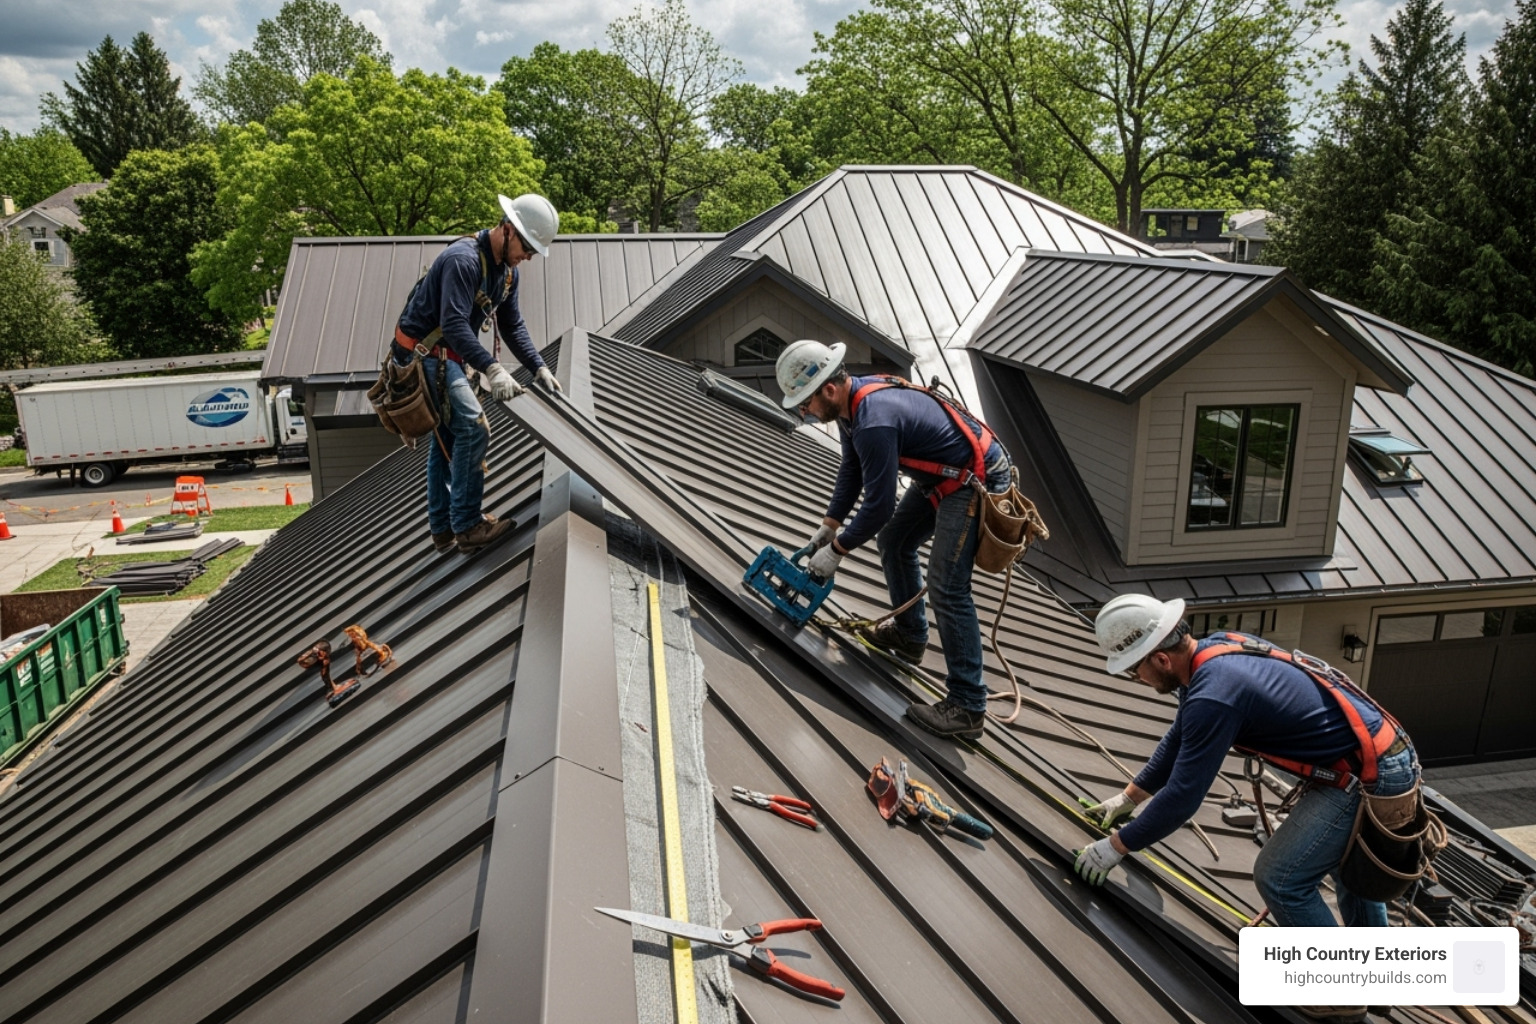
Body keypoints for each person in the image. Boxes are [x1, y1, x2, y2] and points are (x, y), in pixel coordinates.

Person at [1076, 594, 1419, 923]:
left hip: (1369, 774)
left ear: (1162, 660)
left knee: (1280, 880)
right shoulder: (1215, 650)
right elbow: (1179, 739)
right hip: (1377, 752)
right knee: (1349, 870)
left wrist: (1117, 847)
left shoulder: (1213, 695)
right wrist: (1128, 798)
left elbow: (1183, 797)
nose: (1139, 679)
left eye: (1136, 671)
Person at [775, 339, 1014, 740]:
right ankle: (909, 636)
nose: (806, 413)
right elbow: (852, 471)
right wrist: (829, 525)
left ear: (828, 389)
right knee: (895, 541)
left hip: (974, 479)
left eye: (806, 404)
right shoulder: (853, 409)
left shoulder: (873, 420)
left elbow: (880, 504)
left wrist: (837, 551)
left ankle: (968, 707)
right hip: (944, 473)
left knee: (947, 587)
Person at [392, 193, 561, 553]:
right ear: (509, 229)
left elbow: (512, 326)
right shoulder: (463, 260)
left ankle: (442, 528)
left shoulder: (506, 274)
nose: (528, 257)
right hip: (423, 356)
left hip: (447, 355)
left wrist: (539, 366)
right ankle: (467, 526)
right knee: (473, 426)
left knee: (449, 440)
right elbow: (453, 324)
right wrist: (492, 368)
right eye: (527, 247)